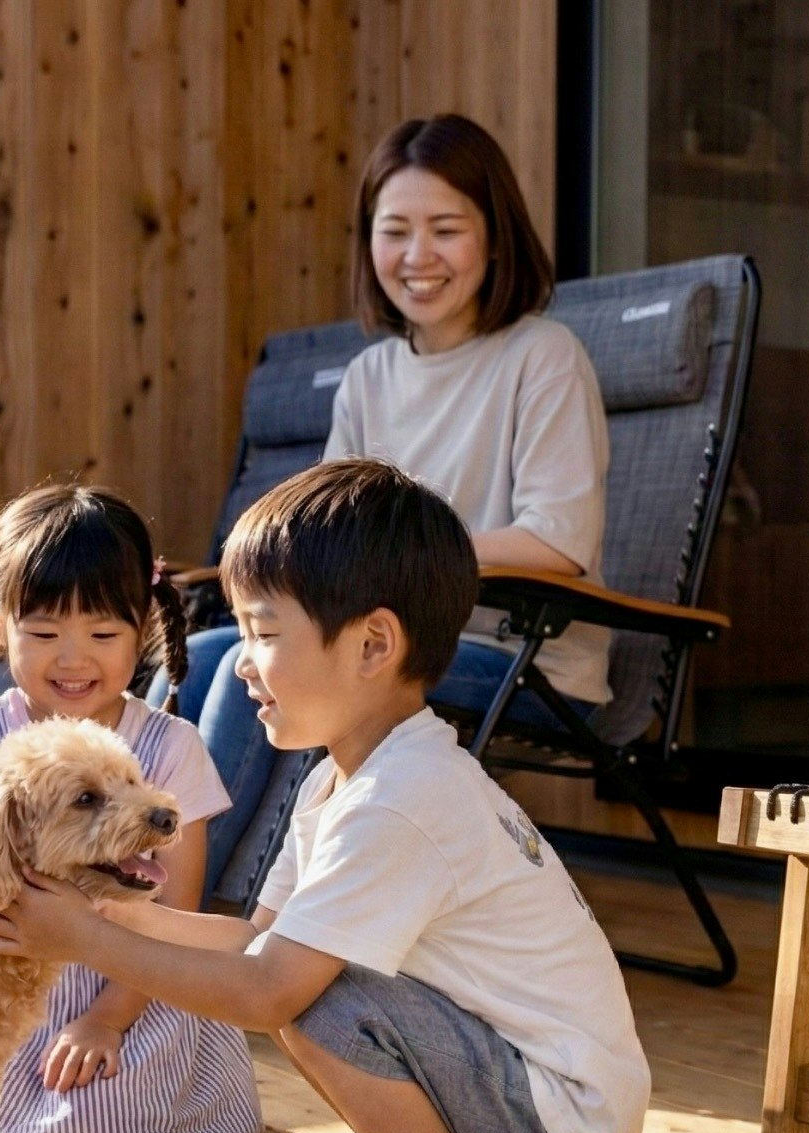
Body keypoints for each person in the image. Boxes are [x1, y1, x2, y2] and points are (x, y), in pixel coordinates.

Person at [0, 460, 648, 1133]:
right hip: (525, 1104)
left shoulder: (400, 801)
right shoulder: (343, 779)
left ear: (373, 645)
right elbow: (254, 938)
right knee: (306, 971)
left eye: (263, 633)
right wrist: (109, 909)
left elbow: (267, 989)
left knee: (313, 999)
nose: (241, 664)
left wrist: (85, 940)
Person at [180, 113, 613, 887]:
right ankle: (136, 880)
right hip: (365, 640)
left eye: (446, 229)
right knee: (206, 653)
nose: (418, 257)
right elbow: (318, 543)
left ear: (496, 238)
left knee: (271, 668)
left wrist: (394, 557)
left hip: (515, 651)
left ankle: (195, 916)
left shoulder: (542, 356)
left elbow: (559, 540)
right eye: (395, 231)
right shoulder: (368, 378)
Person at [0, 482, 261, 1133]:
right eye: (45, 634)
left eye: (103, 635)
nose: (73, 660)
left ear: (143, 627)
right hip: (0, 977)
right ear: (0, 624)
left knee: (106, 1113)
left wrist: (107, 1020)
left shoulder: (170, 747)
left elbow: (176, 915)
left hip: (131, 983)